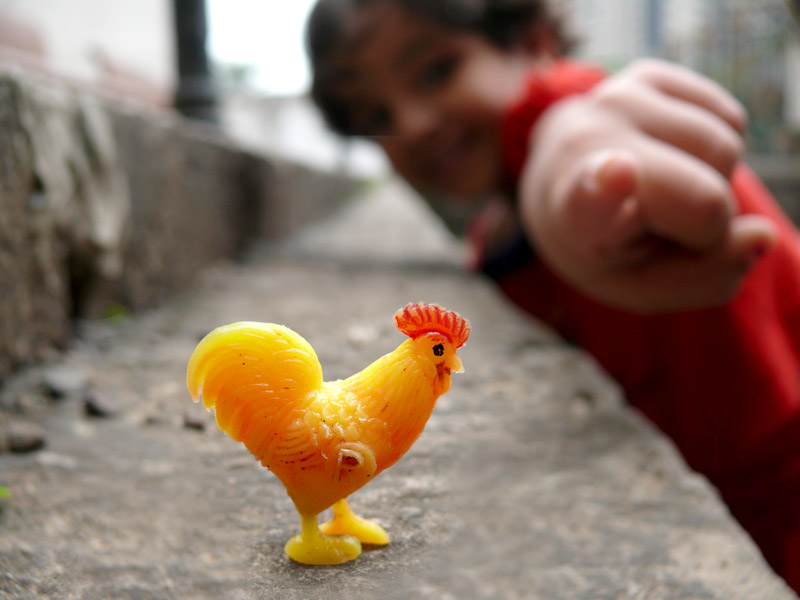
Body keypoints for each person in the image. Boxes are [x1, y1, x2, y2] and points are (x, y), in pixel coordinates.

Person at [305, 0, 800, 590]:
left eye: (437, 71)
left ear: (532, 40)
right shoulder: (493, 240)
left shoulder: (577, 125)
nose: (411, 123)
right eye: (375, 114)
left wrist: (582, 176)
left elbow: (568, 132)